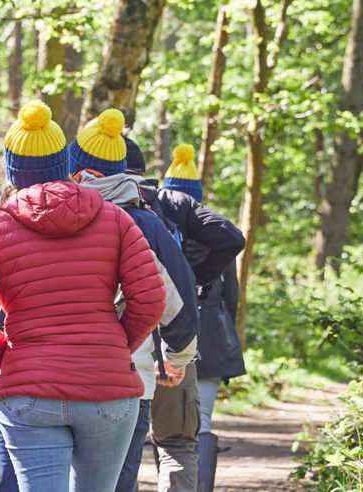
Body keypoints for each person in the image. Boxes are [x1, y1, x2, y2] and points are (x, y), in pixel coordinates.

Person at [0, 100, 167, 492]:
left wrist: (6, 353)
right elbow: (150, 298)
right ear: (64, 163)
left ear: (12, 169)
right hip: (108, 388)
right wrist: (115, 345)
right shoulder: (116, 220)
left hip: (30, 391)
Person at [66, 113, 199, 492]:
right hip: (128, 377)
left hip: (53, 376)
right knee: (115, 483)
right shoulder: (146, 223)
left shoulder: (47, 215)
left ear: (76, 171)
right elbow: (180, 302)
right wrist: (175, 359)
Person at [124, 139, 245, 492]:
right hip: (178, 341)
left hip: (125, 339)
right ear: (145, 173)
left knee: (117, 444)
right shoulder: (172, 204)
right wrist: (194, 278)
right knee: (178, 441)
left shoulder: (101, 207)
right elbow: (230, 239)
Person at [161, 144, 246, 492]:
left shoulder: (159, 230)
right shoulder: (216, 233)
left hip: (168, 334)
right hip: (212, 337)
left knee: (167, 425)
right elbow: (232, 298)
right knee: (201, 421)